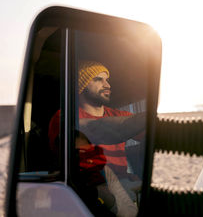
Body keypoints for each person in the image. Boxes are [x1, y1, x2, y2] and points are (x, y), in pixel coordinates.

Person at [48, 61, 144, 216]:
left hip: (125, 182)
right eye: (98, 79)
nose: (107, 85)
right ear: (82, 85)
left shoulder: (117, 115)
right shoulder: (65, 117)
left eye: (107, 80)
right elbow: (103, 129)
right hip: (88, 189)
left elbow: (148, 132)